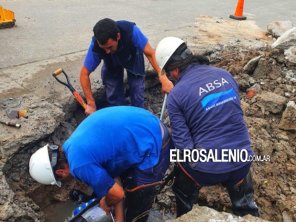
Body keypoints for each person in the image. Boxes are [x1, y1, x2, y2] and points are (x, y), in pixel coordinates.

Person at [155, 37, 260, 217]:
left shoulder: (176, 95)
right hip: (242, 161)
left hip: (205, 170)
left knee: (182, 178)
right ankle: (247, 209)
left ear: (175, 70)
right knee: (239, 165)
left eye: (169, 74)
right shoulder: (225, 75)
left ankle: (186, 215)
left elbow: (184, 146)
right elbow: (232, 115)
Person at [29, 106, 173, 222]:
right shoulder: (71, 145)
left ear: (60, 172)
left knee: (137, 209)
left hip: (155, 143)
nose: (65, 181)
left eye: (60, 179)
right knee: (123, 192)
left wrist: (106, 202)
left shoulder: (79, 166)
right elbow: (115, 183)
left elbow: (117, 194)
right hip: (145, 125)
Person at [80, 18, 173, 115]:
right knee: (113, 93)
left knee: (137, 89)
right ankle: (120, 115)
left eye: (110, 47)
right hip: (111, 62)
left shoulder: (131, 31)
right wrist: (91, 103)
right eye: (103, 48)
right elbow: (84, 74)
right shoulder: (95, 45)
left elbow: (150, 54)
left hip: (132, 56)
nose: (107, 51)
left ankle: (138, 116)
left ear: (118, 36)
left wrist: (163, 78)